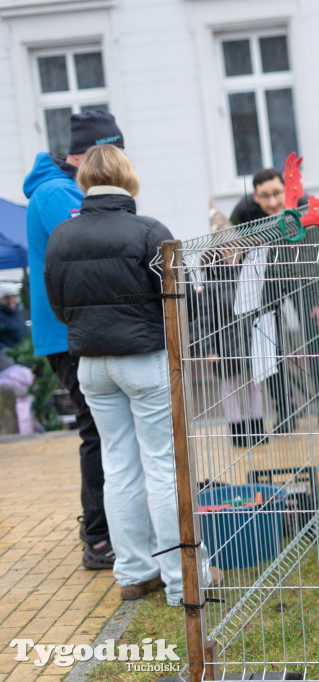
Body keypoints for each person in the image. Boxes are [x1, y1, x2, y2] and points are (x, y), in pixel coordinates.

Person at [44, 144, 213, 605]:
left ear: (85, 181)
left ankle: (133, 573)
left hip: (92, 364)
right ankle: (181, 580)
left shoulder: (61, 236)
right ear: (126, 177)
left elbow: (58, 305)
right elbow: (176, 299)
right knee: (161, 464)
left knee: (117, 466)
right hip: (143, 356)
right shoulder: (149, 231)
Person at [23, 109, 119, 570]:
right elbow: (96, 242)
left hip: (75, 327)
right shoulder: (57, 193)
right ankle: (99, 539)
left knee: (100, 429)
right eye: (114, 155)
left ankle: (100, 527)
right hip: (68, 331)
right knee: (98, 431)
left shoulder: (63, 188)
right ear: (92, 155)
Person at [230, 169, 319, 434]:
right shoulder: (243, 211)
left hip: (303, 275)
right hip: (267, 279)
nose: (272, 202)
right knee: (267, 342)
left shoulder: (307, 207)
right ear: (255, 196)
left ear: (288, 189)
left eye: (276, 194)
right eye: (264, 196)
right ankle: (284, 412)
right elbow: (232, 240)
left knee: (317, 339)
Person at [190, 221, 268, 449]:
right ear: (218, 251)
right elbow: (203, 320)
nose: (233, 255)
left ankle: (257, 429)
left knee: (255, 384)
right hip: (225, 345)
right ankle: (237, 432)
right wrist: (208, 349)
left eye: (237, 249)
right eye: (228, 250)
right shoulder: (210, 282)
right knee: (230, 386)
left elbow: (258, 307)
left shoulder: (247, 274)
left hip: (250, 340)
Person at [0, 281, 27, 350]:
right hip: (7, 355)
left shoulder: (18, 311)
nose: (11, 300)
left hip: (22, 350)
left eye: (13, 297)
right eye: (6, 298)